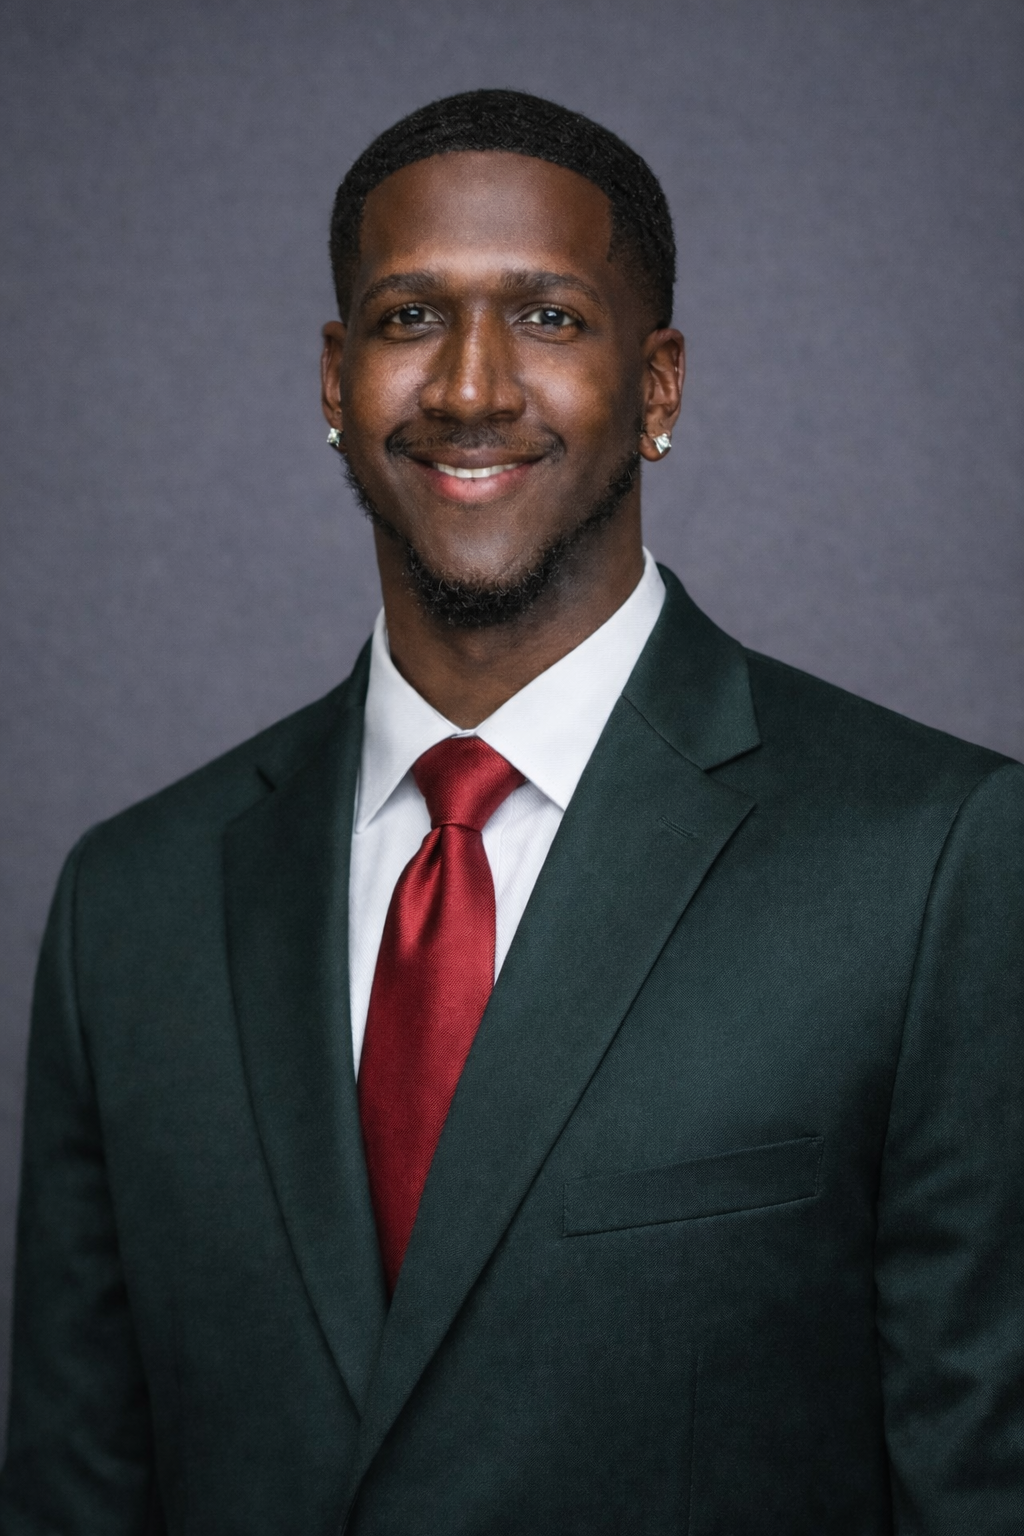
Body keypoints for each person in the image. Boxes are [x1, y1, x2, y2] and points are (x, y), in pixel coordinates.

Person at [0, 88, 1020, 1536]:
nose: (472, 387)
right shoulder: (132, 903)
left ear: (659, 386)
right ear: (334, 378)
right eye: (413, 319)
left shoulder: (935, 862)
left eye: (547, 319)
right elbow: (72, 1487)